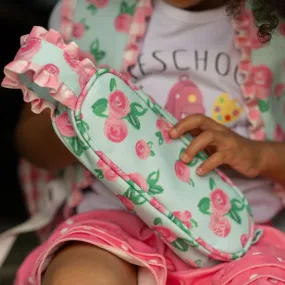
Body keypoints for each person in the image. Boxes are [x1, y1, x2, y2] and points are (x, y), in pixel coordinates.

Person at [11, 0, 285, 284]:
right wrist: (79, 121)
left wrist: (258, 155)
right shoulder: (86, 14)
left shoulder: (276, 29)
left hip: (245, 238)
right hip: (113, 222)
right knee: (79, 276)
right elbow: (32, 146)